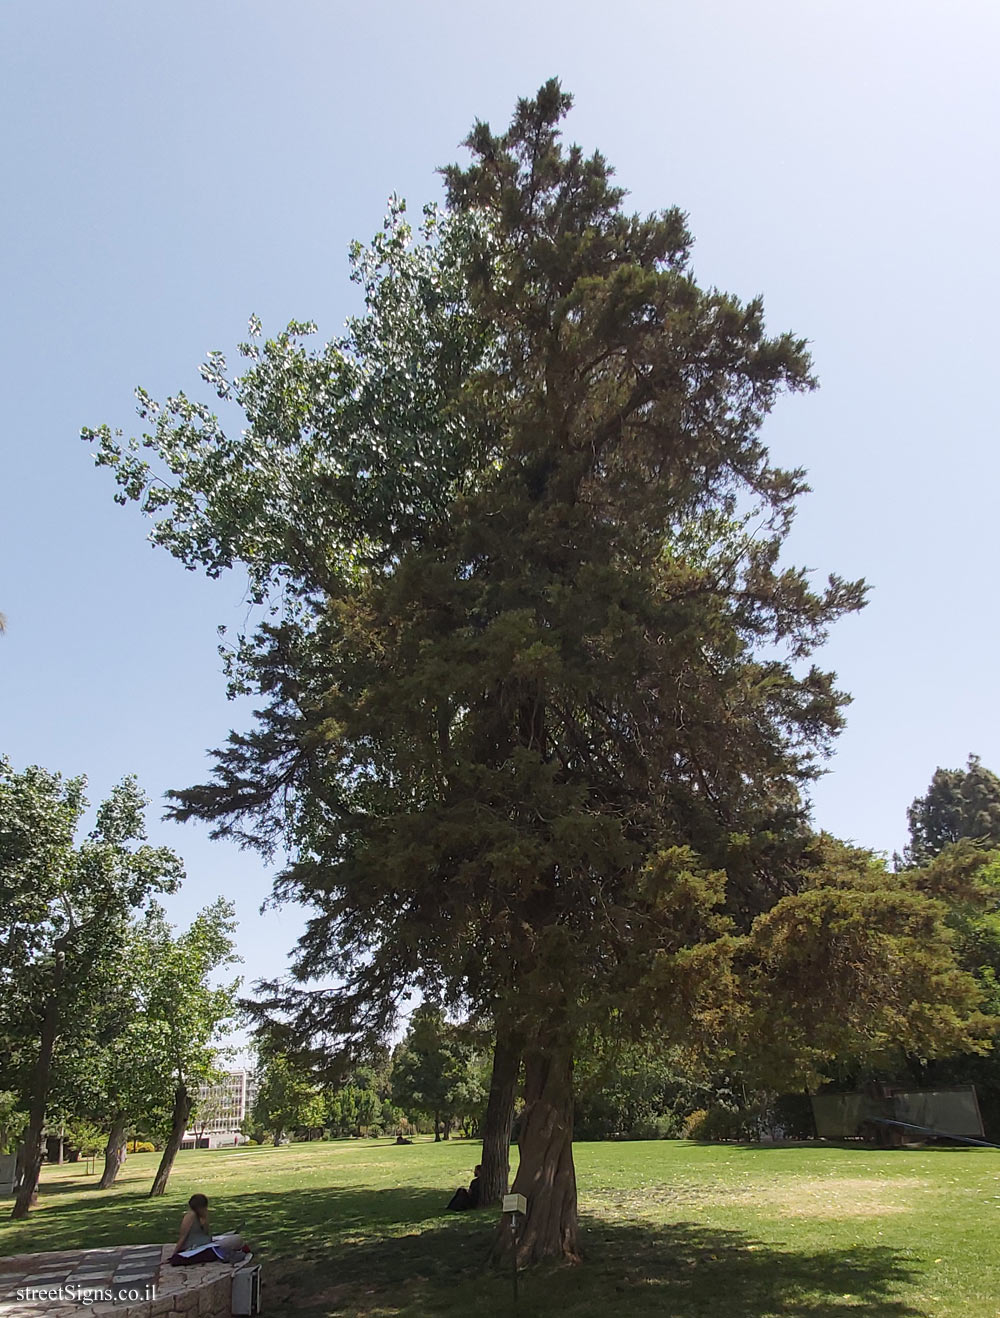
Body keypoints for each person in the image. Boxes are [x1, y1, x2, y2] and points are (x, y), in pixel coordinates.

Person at [169, 1193, 251, 1266]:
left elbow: (206, 1234)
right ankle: (237, 1251)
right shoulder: (190, 1216)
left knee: (230, 1235)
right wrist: (174, 1254)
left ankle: (237, 1251)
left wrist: (204, 1222)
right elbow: (182, 1237)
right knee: (237, 1238)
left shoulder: (201, 1216)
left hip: (207, 1243)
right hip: (197, 1248)